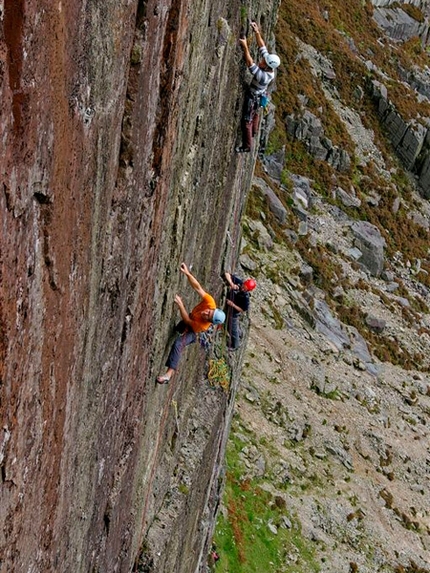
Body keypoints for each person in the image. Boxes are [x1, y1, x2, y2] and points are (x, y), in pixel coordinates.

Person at [157, 263, 226, 384]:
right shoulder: (210, 303)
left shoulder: (202, 325)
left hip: (193, 332)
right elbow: (198, 287)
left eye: (207, 316)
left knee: (178, 344)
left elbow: (188, 321)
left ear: (209, 321)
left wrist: (180, 305)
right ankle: (177, 331)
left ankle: (168, 375)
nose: (205, 312)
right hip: (190, 318)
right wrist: (187, 273)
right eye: (209, 311)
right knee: (177, 329)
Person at [236, 21, 280, 153]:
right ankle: (254, 131)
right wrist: (256, 32)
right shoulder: (269, 66)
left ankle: (247, 146)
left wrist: (245, 47)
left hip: (254, 96)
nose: (261, 61)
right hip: (260, 95)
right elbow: (262, 47)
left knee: (246, 120)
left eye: (263, 62)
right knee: (255, 113)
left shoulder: (264, 76)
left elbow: (250, 63)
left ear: (267, 66)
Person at [223, 272, 257, 349]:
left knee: (232, 329)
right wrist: (231, 283)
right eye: (243, 286)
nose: (242, 288)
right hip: (230, 308)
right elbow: (227, 274)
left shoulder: (245, 298)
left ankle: (235, 345)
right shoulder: (239, 283)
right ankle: (240, 332)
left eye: (245, 288)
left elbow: (242, 310)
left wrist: (232, 305)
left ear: (248, 290)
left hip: (234, 313)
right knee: (230, 327)